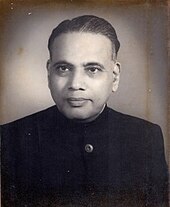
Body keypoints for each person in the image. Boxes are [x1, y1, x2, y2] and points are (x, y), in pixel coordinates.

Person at [1, 15, 168, 207]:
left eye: (92, 69)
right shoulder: (9, 138)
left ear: (114, 78)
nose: (75, 84)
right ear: (49, 74)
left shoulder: (146, 137)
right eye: (63, 68)